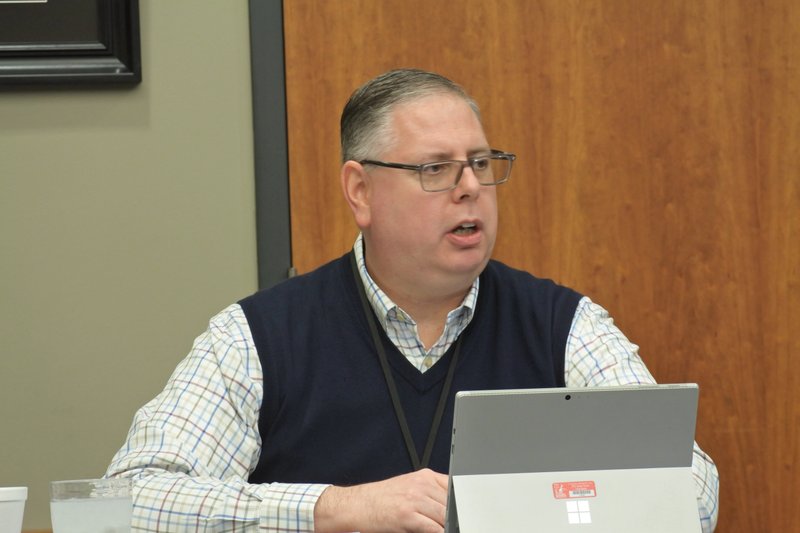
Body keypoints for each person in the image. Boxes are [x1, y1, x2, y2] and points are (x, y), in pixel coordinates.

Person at [106, 68, 719, 532]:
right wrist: (333, 507)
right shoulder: (258, 338)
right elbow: (129, 501)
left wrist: (526, 505)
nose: (472, 188)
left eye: (480, 163)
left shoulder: (562, 326)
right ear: (360, 190)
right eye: (436, 170)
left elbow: (689, 486)